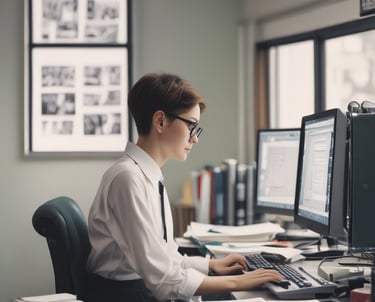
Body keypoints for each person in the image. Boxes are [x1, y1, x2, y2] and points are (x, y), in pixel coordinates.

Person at [86, 72, 282, 302]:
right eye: (192, 126)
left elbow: (164, 257)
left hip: (137, 289)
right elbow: (163, 280)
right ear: (160, 121)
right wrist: (237, 282)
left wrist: (210, 264)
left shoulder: (145, 174)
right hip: (125, 296)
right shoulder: (127, 179)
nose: (195, 138)